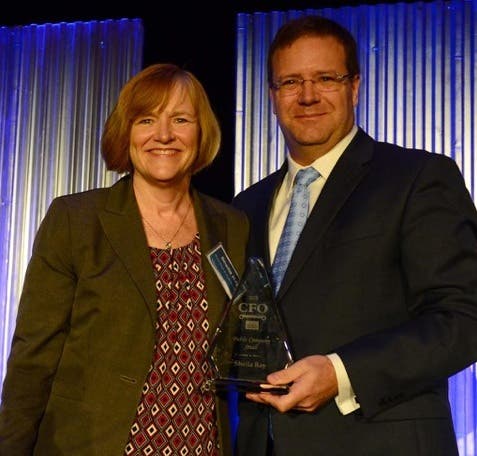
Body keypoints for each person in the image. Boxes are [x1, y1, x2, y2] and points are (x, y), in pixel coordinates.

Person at [232, 14, 477, 456]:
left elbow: (464, 318)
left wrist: (340, 373)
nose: (308, 95)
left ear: (355, 87)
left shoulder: (418, 178)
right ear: (272, 96)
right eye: (291, 82)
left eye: (326, 78)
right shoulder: (244, 207)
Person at [0, 63, 248, 455]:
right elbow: (34, 358)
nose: (163, 135)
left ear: (201, 132)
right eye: (146, 120)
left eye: (180, 119)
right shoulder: (76, 220)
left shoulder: (232, 227)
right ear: (126, 133)